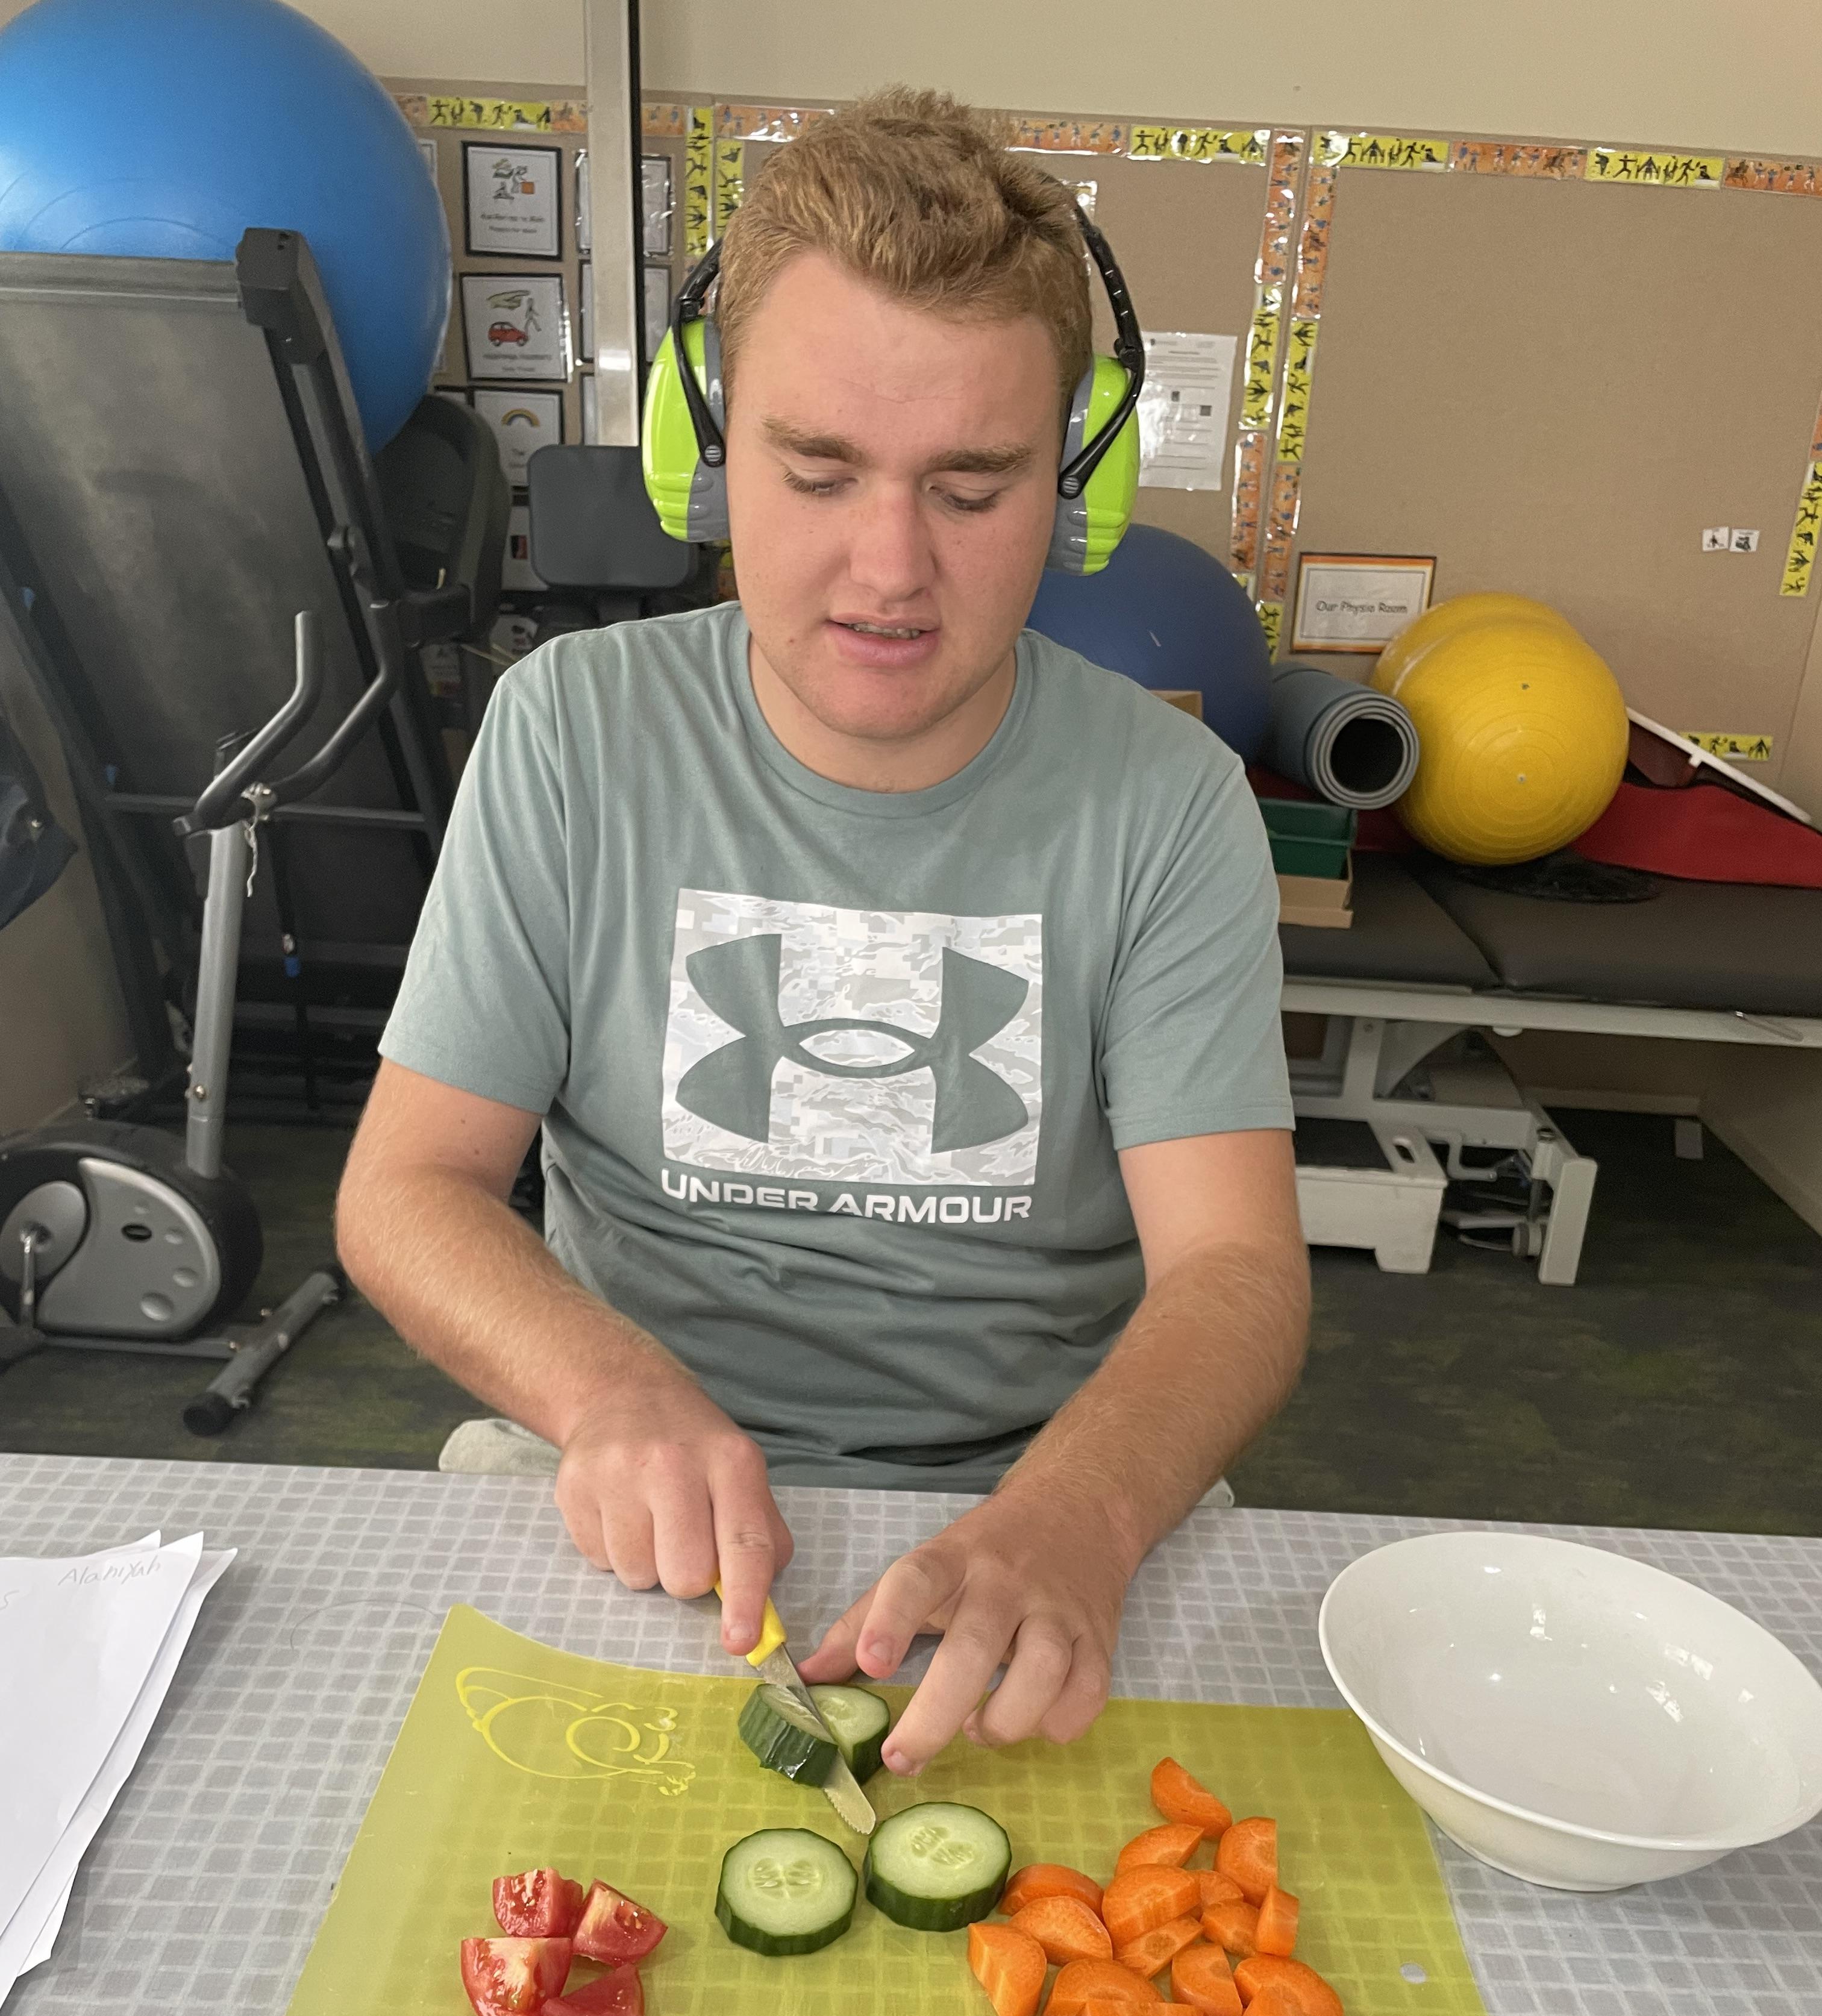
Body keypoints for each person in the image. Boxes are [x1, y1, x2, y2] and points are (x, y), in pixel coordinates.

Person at [336, 87, 1309, 1776]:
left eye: (973, 488)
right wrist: (604, 1393)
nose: (889, 568)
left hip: (1052, 1497)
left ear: (1080, 485)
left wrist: (1077, 1514)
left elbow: (1236, 1272)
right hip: (630, 1481)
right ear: (704, 456)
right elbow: (404, 1189)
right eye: (817, 472)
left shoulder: (1171, 802)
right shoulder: (570, 731)